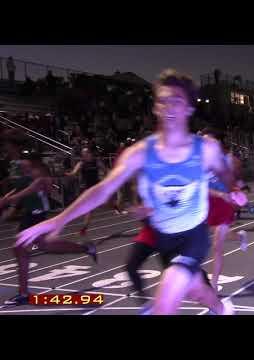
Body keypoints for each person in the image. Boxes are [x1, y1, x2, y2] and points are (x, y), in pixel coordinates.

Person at [16, 69, 236, 315]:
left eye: (177, 101)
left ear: (189, 109)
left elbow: (225, 174)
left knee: (167, 298)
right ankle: (221, 307)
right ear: (155, 108)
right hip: (164, 237)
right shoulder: (141, 153)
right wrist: (60, 219)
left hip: (193, 236)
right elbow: (103, 188)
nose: (169, 107)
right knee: (195, 288)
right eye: (163, 101)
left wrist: (233, 190)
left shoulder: (205, 149)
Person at [0, 153, 97, 305]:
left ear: (35, 166)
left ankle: (24, 293)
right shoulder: (25, 178)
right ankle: (86, 248)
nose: (24, 170)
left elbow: (28, 191)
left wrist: (8, 200)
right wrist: (6, 199)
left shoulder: (42, 178)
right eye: (23, 168)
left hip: (37, 217)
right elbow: (16, 191)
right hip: (28, 217)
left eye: (27, 167)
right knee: (37, 247)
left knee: (23, 249)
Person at [202, 128, 248, 292]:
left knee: (216, 246)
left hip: (224, 205)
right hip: (208, 204)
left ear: (218, 143)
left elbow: (238, 181)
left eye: (209, 140)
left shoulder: (230, 161)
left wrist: (238, 193)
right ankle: (240, 236)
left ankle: (213, 286)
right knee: (215, 235)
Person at [64, 146, 106, 235]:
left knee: (105, 203)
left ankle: (116, 207)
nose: (84, 155)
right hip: (87, 189)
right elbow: (74, 173)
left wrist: (107, 178)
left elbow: (105, 171)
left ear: (90, 153)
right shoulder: (81, 163)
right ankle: (84, 228)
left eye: (86, 153)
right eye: (83, 153)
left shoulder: (96, 162)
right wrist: (68, 174)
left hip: (97, 187)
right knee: (89, 209)